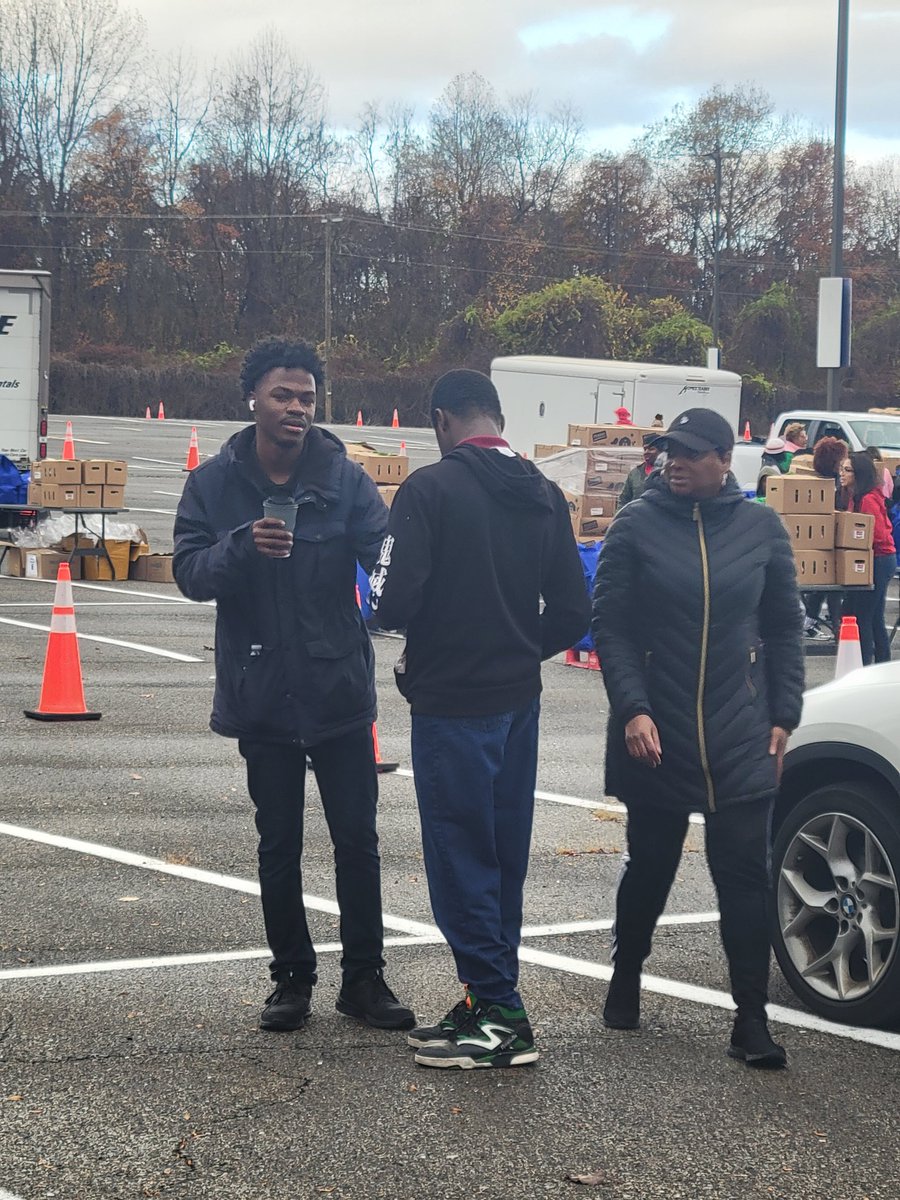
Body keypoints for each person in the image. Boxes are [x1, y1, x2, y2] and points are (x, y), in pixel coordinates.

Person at [172, 338, 414, 1034]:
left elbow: (385, 558)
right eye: (283, 395)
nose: (297, 408)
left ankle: (364, 979)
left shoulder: (345, 479)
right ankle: (291, 979)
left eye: (307, 397)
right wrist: (239, 548)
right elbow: (188, 572)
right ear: (252, 397)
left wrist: (407, 605)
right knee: (278, 843)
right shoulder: (213, 484)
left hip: (337, 688)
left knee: (357, 841)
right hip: (261, 689)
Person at [368, 369, 590, 1069]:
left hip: (453, 701)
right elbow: (576, 611)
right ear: (498, 419)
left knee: (460, 855)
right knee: (500, 855)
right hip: (518, 698)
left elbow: (389, 599)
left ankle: (499, 1015)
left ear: (441, 422)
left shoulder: (429, 490)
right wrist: (519, 647)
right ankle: (487, 994)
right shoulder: (544, 492)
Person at [592, 408, 804, 1070]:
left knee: (744, 877)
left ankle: (751, 1020)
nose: (673, 462)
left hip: (741, 734)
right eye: (668, 452)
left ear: (724, 459)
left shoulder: (761, 528)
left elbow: (785, 627)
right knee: (650, 865)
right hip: (656, 733)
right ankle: (626, 975)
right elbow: (611, 625)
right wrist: (633, 708)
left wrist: (784, 713)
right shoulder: (636, 523)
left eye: (688, 452)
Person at [839, 451, 896, 665]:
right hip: (878, 558)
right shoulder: (856, 497)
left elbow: (878, 534)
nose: (842, 474)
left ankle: (865, 663)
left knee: (864, 614)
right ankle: (882, 662)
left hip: (879, 559)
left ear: (859, 474)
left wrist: (855, 540)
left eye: (847, 470)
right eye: (841, 469)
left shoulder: (867, 499)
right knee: (873, 615)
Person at [800, 436, 848, 639]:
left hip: (814, 540)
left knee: (820, 587)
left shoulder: (814, 481)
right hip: (831, 541)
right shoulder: (836, 485)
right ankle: (836, 627)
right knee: (832, 588)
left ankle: (811, 621)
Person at [617, 434, 660, 508]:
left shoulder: (667, 473)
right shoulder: (635, 473)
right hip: (636, 514)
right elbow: (624, 500)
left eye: (651, 449)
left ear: (661, 451)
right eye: (645, 449)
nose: (646, 452)